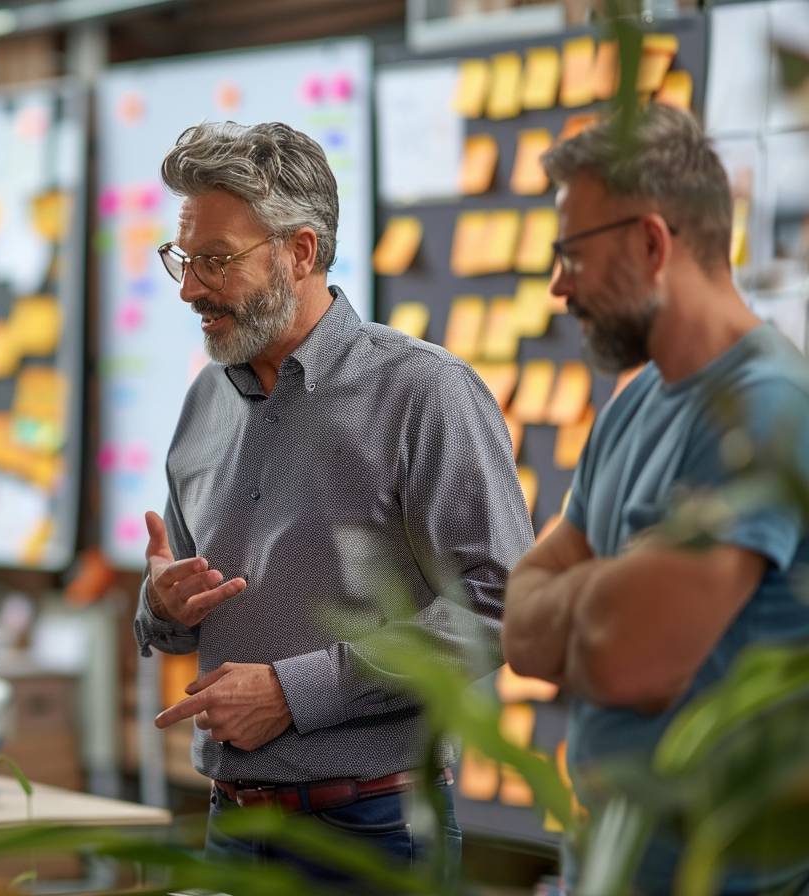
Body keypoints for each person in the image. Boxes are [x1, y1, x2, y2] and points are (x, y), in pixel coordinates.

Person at [133, 121, 533, 884]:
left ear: (301, 252)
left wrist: (296, 692)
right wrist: (161, 605)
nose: (188, 287)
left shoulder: (424, 393)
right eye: (182, 259)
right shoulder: (203, 401)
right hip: (230, 824)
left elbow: (505, 606)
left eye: (215, 260)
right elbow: (170, 619)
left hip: (373, 831)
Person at [501, 105, 809, 894]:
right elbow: (521, 626)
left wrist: (582, 602)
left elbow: (630, 658)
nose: (558, 283)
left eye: (572, 252)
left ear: (650, 243)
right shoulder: (636, 403)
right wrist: (609, 592)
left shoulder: (767, 405)